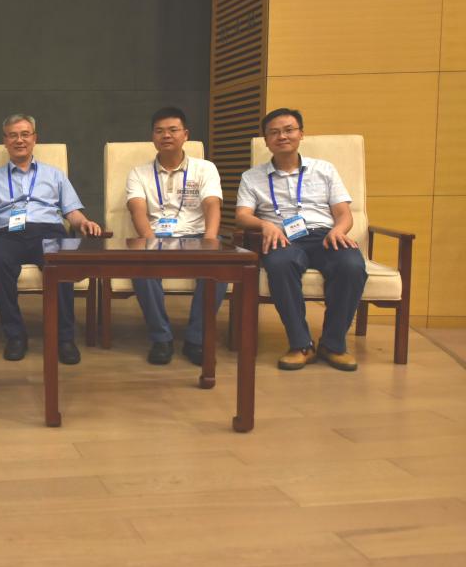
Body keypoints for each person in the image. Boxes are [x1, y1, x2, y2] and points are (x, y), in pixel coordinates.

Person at [0, 113, 102, 363]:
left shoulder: (55, 175)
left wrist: (84, 222)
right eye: (13, 135)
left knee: (62, 265)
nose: (19, 140)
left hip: (49, 231)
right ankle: (15, 335)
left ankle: (64, 338)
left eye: (25, 134)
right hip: (9, 234)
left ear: (34, 138)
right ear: (5, 141)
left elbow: (72, 211)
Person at [235, 108, 367, 372]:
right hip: (282, 237)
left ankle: (333, 344)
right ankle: (301, 344)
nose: (282, 136)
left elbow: (344, 214)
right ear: (266, 140)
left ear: (301, 134)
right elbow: (242, 215)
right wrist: (265, 225)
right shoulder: (252, 177)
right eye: (274, 132)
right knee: (279, 264)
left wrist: (339, 230)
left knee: (352, 265)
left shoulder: (324, 170)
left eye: (288, 130)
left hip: (324, 235)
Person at [126, 107, 228, 365]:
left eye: (173, 130)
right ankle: (161, 339)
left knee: (219, 267)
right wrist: (150, 241)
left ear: (186, 135)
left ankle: (196, 339)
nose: (166, 135)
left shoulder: (205, 168)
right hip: (155, 236)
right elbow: (137, 210)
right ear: (153, 137)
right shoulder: (139, 173)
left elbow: (212, 205)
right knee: (140, 265)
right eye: (159, 131)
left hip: (197, 236)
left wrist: (210, 241)